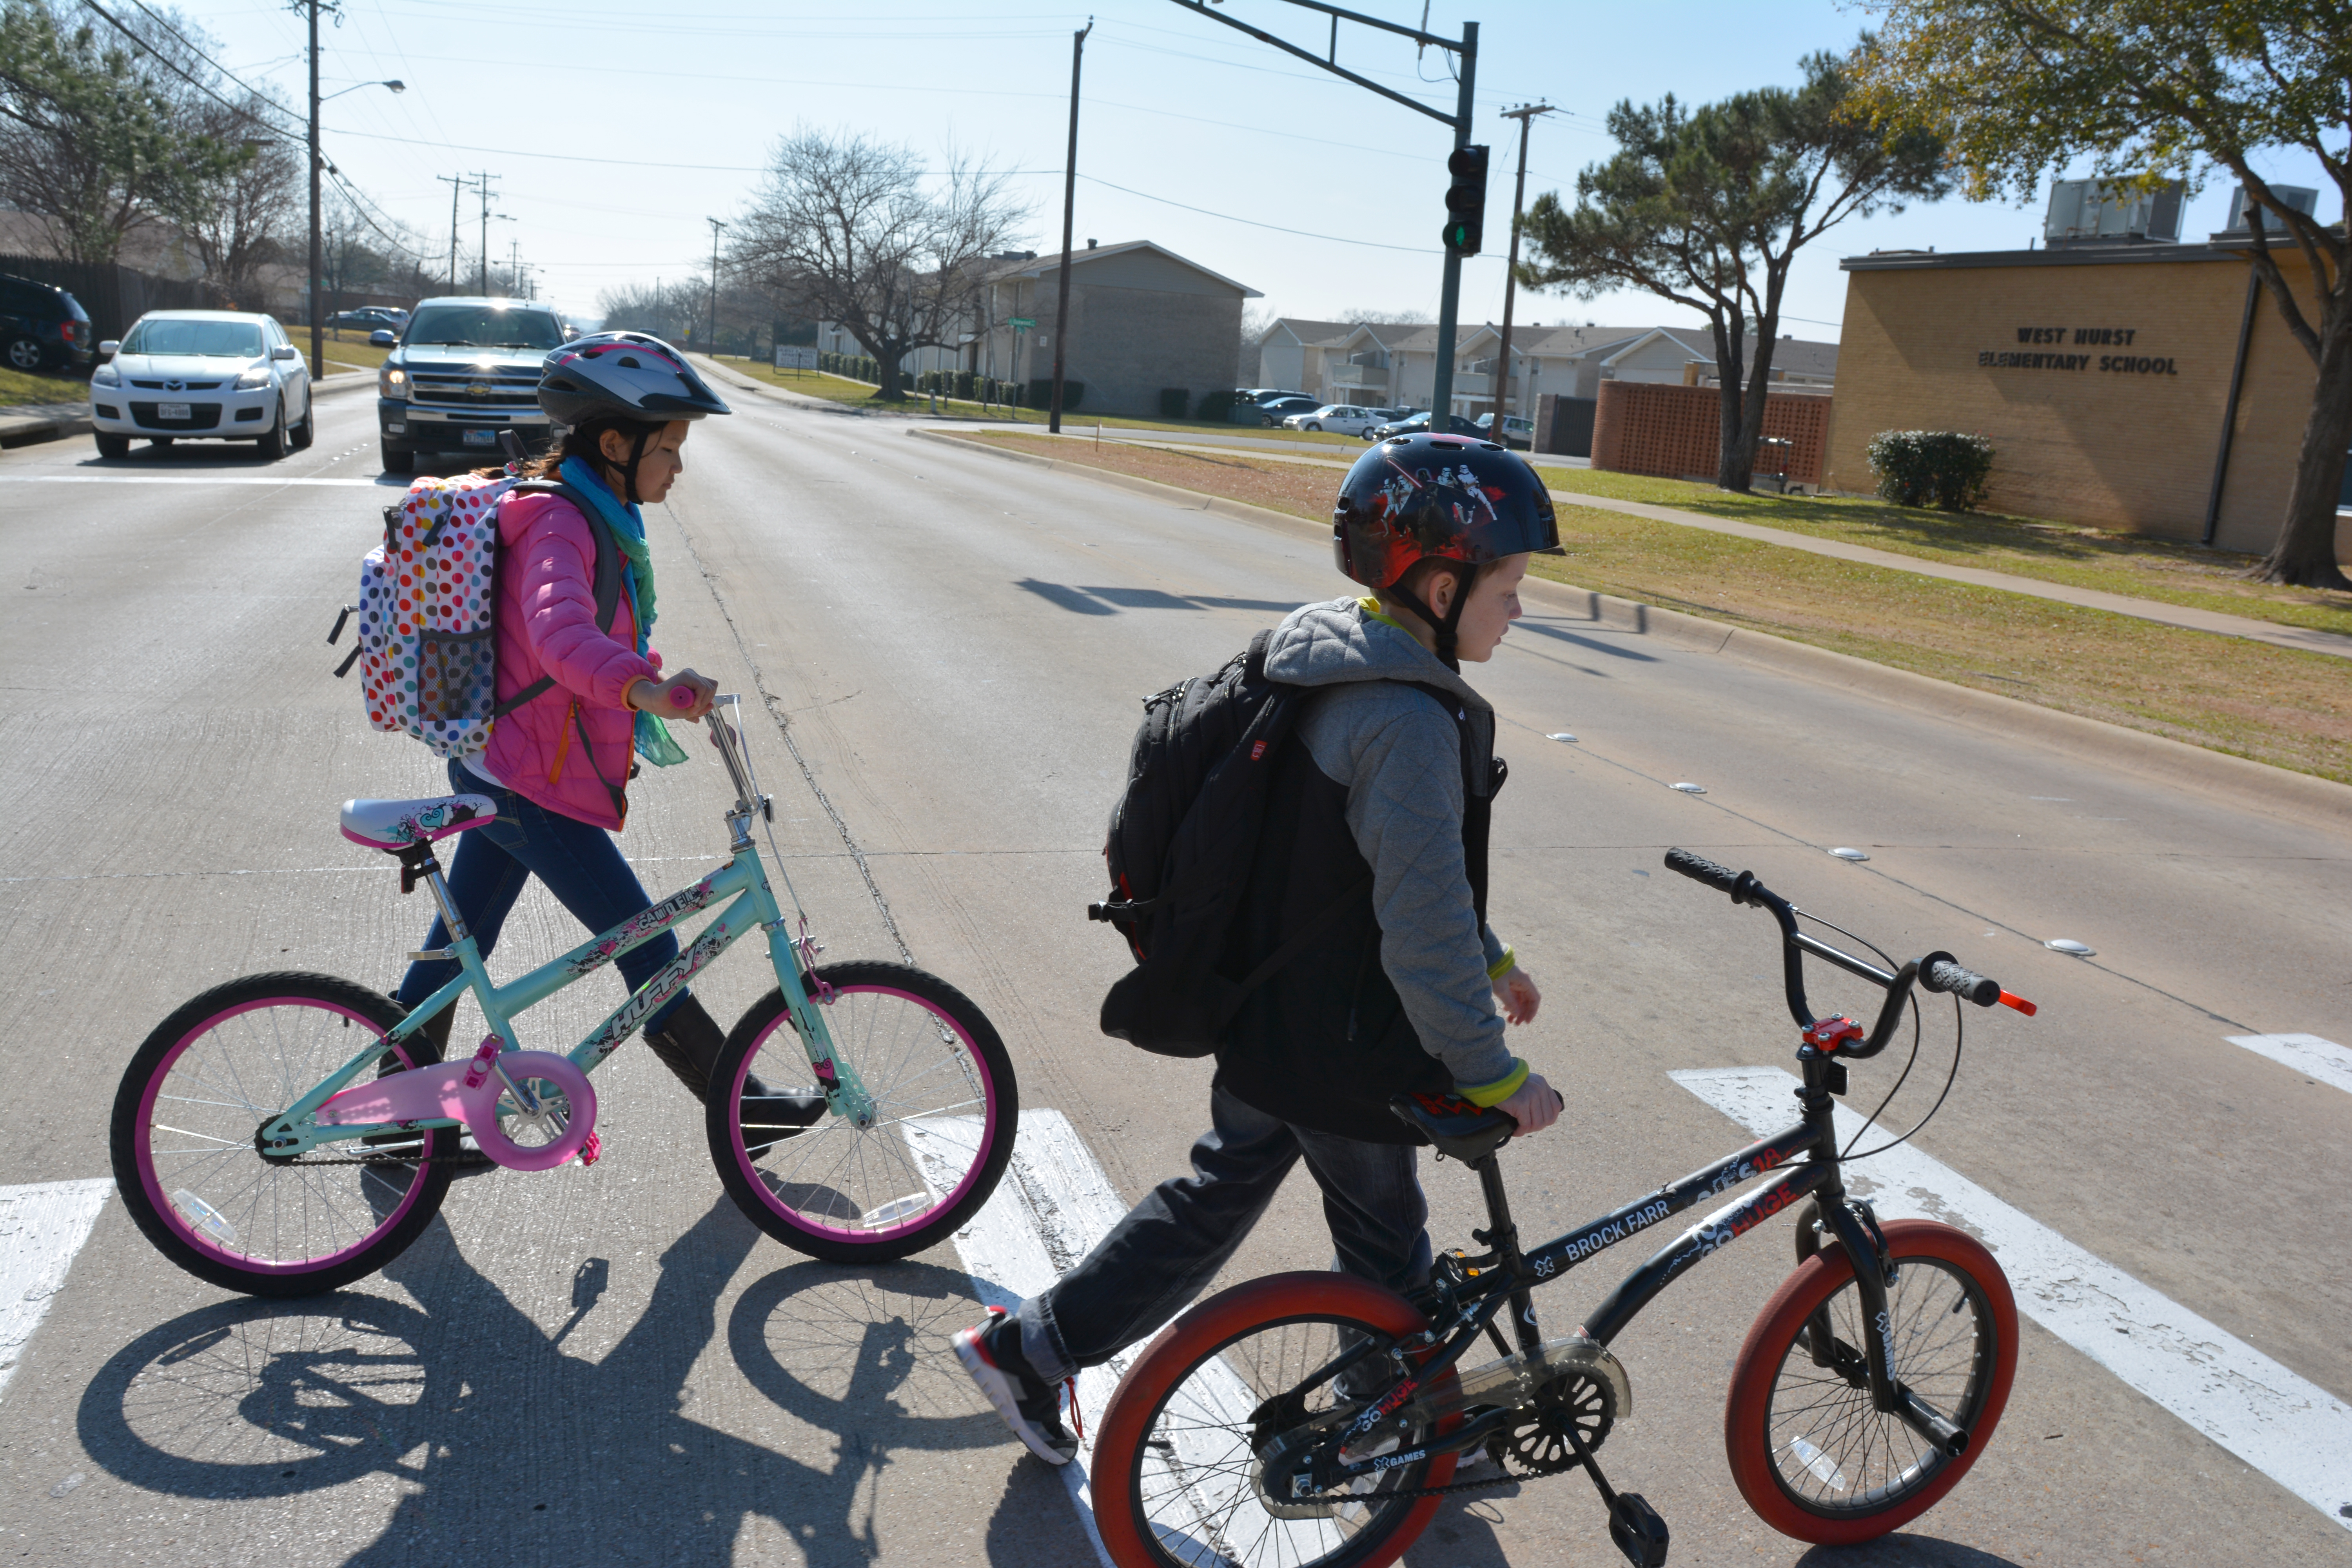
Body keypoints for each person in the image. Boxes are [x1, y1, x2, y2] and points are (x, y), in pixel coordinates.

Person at [957, 433, 1565, 1463]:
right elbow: (1418, 923)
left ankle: (1029, 1348)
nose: (1521, 605)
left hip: (1266, 1014)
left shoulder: (1325, 657)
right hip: (1344, 1043)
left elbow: (1378, 870)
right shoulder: (1407, 722)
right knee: (1383, 1242)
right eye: (1509, 583)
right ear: (1443, 581)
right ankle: (1397, 1426)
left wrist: (1494, 957)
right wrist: (1494, 1073)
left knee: (1219, 1200)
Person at [394, 332, 817, 1132]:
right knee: (648, 948)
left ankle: (390, 1112)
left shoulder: (595, 513)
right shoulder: (562, 523)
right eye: (671, 447)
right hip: (526, 781)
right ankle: (742, 1114)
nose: (679, 467)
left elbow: (591, 635)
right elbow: (558, 635)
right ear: (616, 442)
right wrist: (646, 688)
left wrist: (647, 673)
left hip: (503, 767)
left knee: (460, 951)